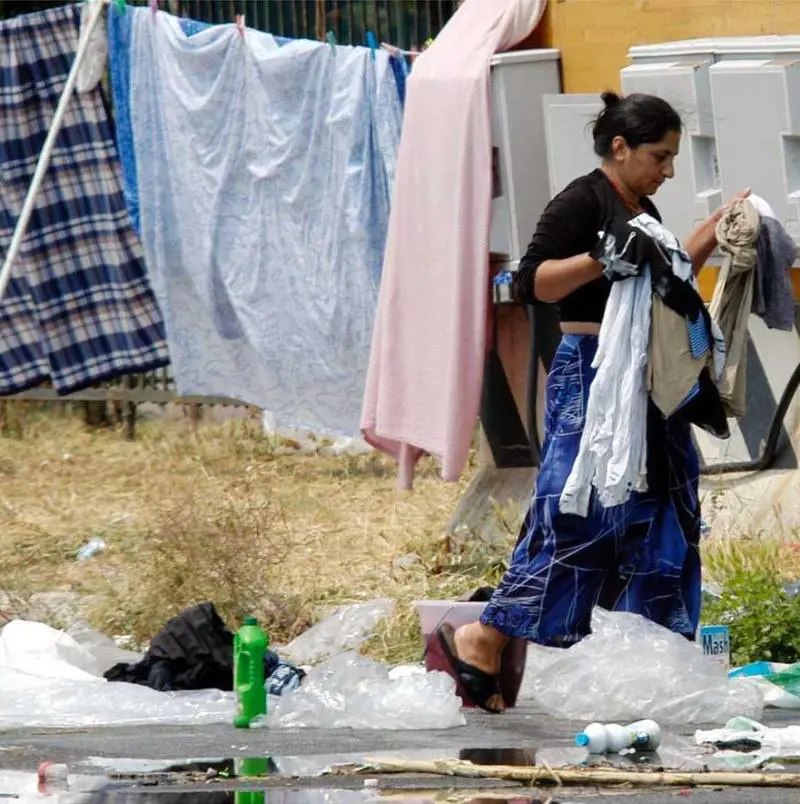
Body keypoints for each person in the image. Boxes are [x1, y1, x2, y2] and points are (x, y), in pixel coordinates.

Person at [436, 90, 750, 714]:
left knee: (667, 517)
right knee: (580, 516)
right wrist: (596, 259)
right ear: (619, 147)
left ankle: (648, 667)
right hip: (593, 379)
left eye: (671, 157)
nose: (667, 169)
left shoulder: (644, 206)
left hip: (649, 384)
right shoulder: (584, 199)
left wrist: (716, 231)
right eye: (659, 156)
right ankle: (485, 634)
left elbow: (664, 271)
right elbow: (531, 281)